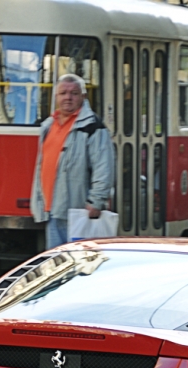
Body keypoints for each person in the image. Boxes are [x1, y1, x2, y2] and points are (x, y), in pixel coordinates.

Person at [30, 74, 114, 249]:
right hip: (52, 210)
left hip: (79, 211)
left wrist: (96, 201)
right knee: (58, 266)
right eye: (63, 93)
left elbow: (103, 168)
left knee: (80, 266)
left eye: (74, 93)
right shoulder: (48, 126)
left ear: (83, 97)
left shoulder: (93, 127)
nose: (68, 97)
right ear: (56, 97)